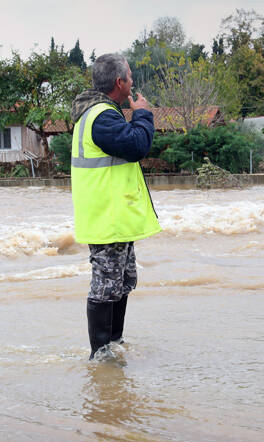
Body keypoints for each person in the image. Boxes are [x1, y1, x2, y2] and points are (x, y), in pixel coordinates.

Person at [70, 53, 161, 360]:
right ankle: (100, 354)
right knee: (105, 285)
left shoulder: (101, 113)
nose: (133, 82)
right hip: (106, 217)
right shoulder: (101, 117)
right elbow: (137, 146)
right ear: (119, 82)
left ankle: (114, 343)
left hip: (114, 216)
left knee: (123, 280)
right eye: (131, 77)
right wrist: (143, 114)